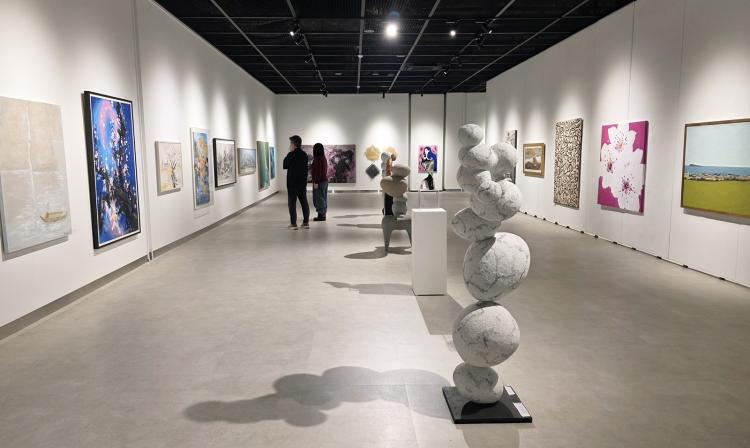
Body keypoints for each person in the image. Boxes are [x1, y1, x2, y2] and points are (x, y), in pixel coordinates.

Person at [283, 135, 310, 229]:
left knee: (292, 204)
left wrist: (290, 153)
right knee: (304, 203)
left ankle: (293, 223)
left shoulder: (291, 155)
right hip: (302, 183)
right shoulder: (304, 155)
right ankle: (306, 222)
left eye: (290, 143)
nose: (289, 145)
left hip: (292, 184)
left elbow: (285, 165)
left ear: (293, 144)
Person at [310, 143, 328, 221]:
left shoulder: (318, 159)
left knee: (319, 198)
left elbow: (318, 172)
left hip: (319, 181)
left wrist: (316, 182)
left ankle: (321, 215)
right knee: (323, 197)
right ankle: (322, 214)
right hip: (324, 181)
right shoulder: (323, 158)